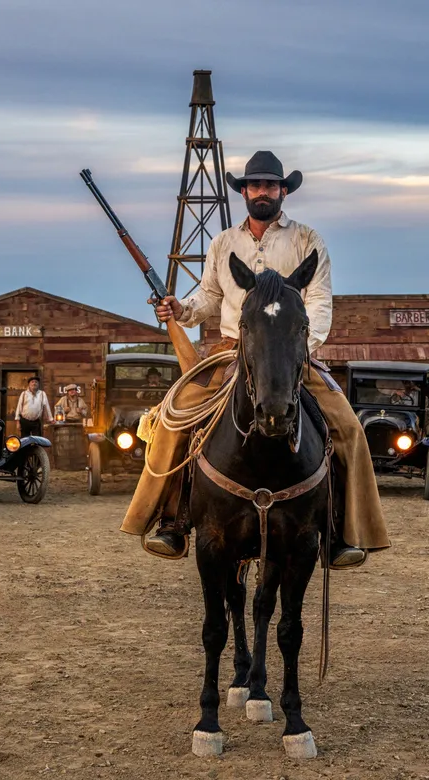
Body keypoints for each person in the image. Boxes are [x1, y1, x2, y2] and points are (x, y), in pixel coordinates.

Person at [121, 150, 389, 569]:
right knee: (175, 418)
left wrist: (300, 349)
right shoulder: (223, 242)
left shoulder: (307, 241)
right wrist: (180, 310)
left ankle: (340, 533)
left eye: (270, 185)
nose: (262, 191)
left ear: (284, 191)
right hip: (232, 352)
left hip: (291, 354)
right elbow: (210, 297)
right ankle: (171, 520)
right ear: (244, 192)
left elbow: (317, 303)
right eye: (254, 185)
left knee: (349, 429)